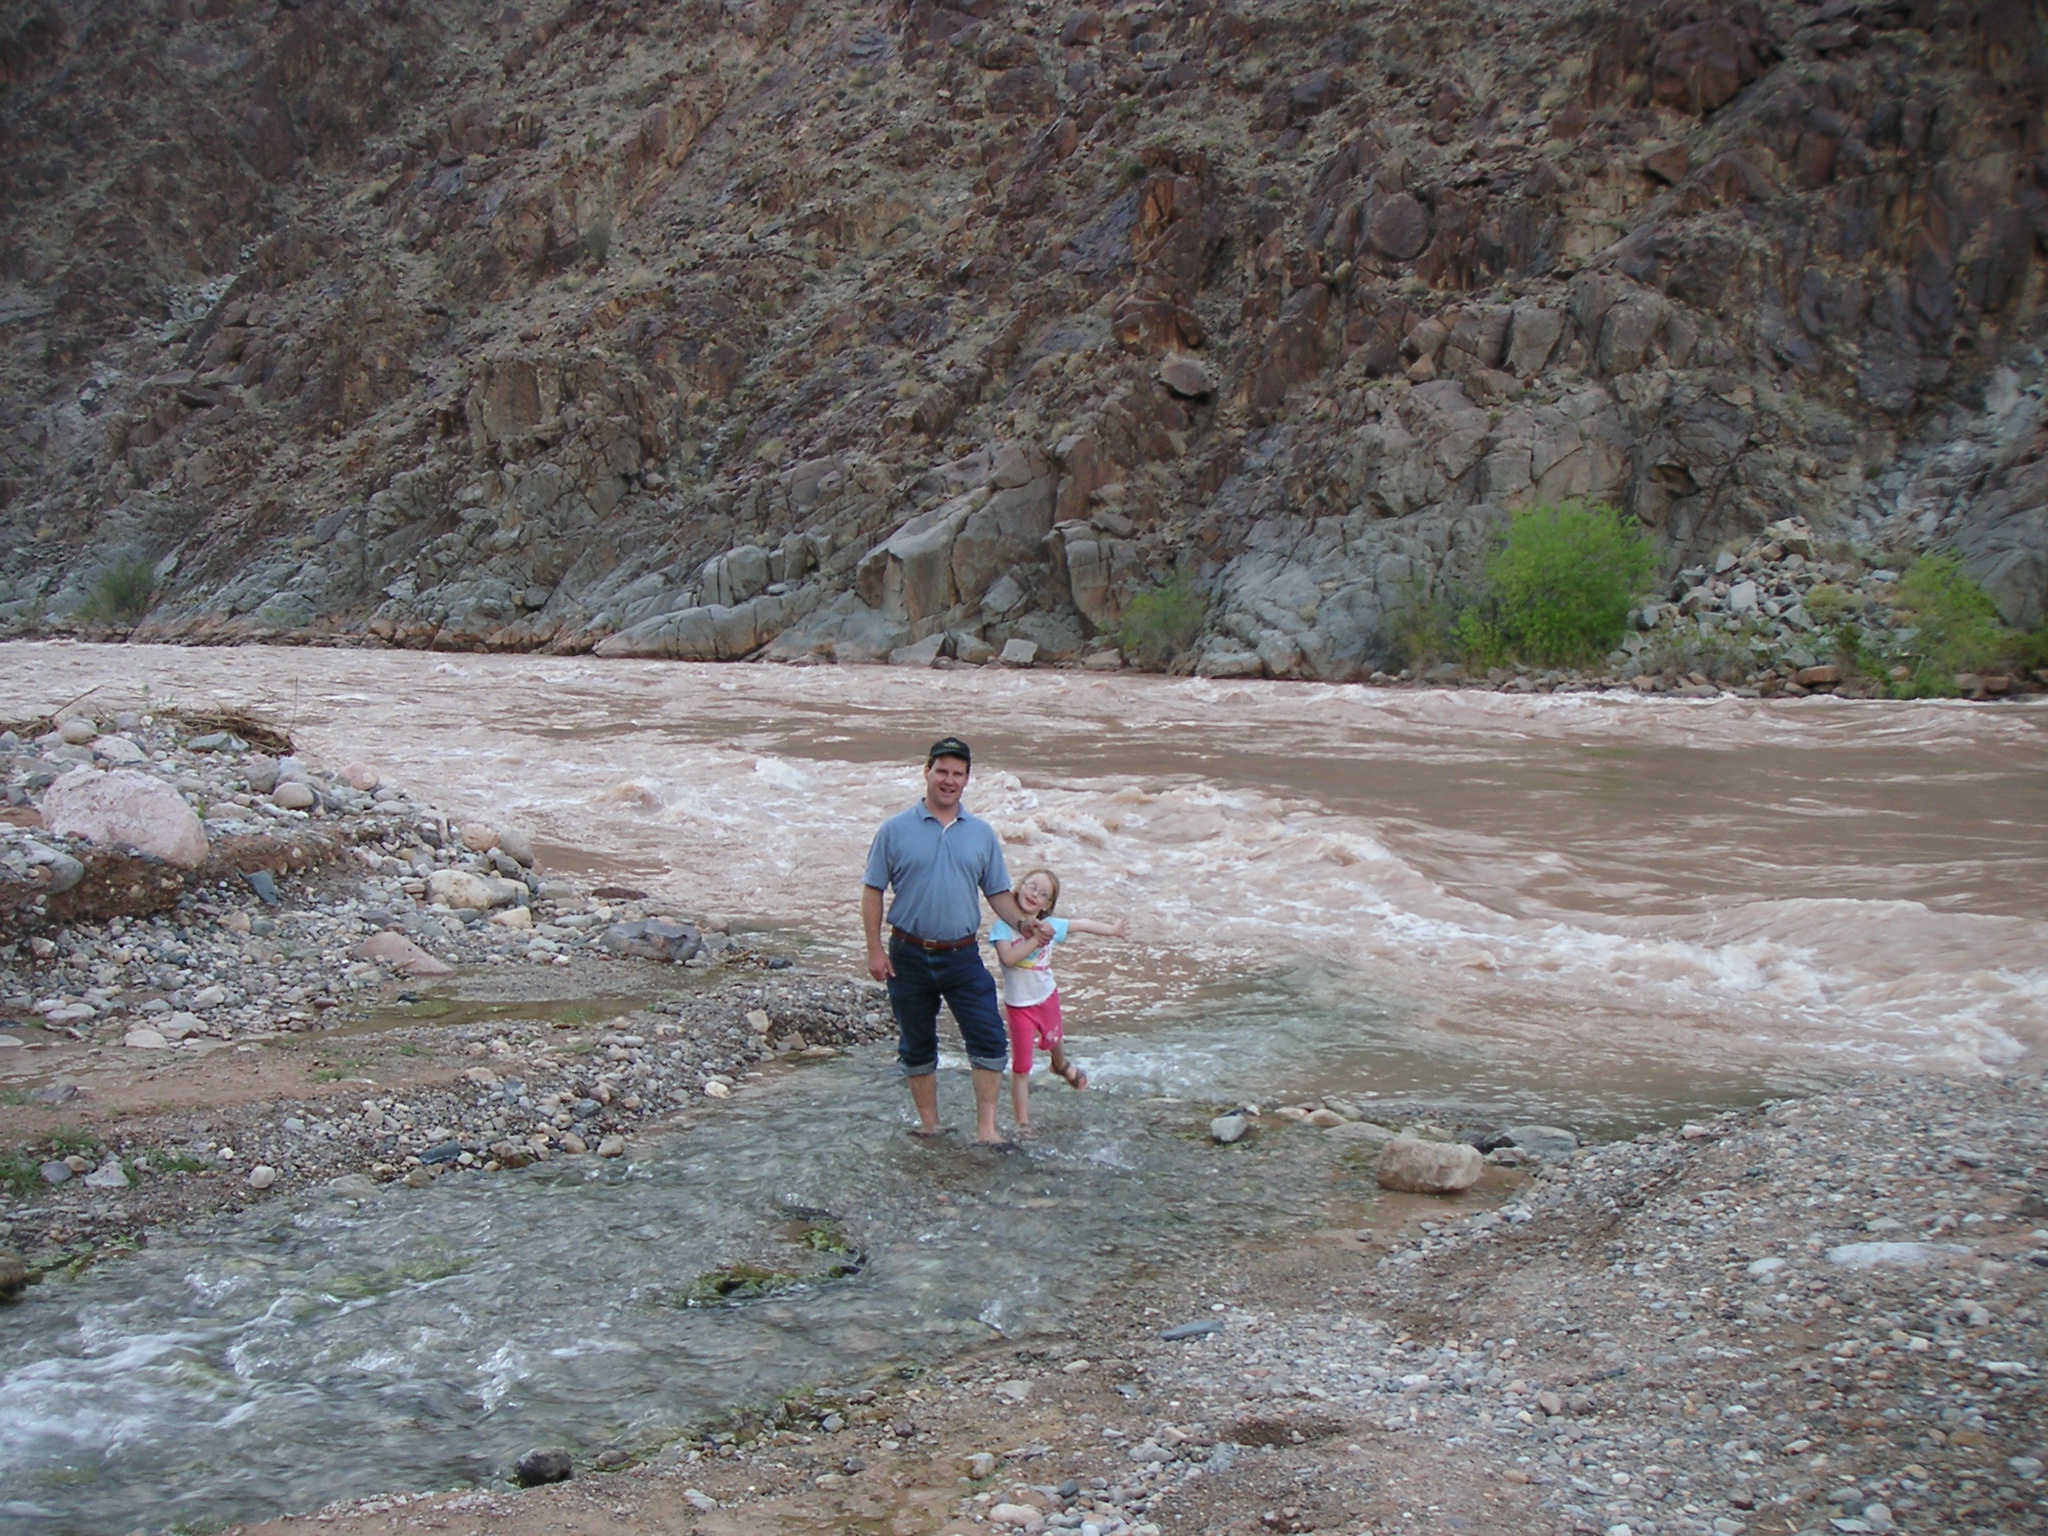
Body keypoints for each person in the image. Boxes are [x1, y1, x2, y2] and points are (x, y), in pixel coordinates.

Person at [862, 737, 1048, 1146]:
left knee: (988, 1037)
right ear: (926, 772)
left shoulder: (980, 834)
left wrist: (1025, 925)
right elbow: (873, 889)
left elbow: (997, 892)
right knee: (917, 1042)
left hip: (962, 955)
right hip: (907, 954)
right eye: (942, 771)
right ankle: (930, 1125)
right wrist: (874, 949)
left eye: (957, 774)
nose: (949, 780)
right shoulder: (894, 830)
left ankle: (987, 1131)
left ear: (967, 780)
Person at [989, 867, 1128, 1136]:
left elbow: (1082, 924)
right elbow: (1009, 958)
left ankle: (1060, 1065)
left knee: (1054, 1038)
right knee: (1021, 1067)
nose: (1034, 894)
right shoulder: (1002, 928)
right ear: (1019, 886)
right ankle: (1023, 1124)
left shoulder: (1052, 925)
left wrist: (1113, 930)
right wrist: (1037, 939)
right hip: (1019, 1007)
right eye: (1031, 886)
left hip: (1046, 997)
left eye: (1043, 894)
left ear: (1047, 904)